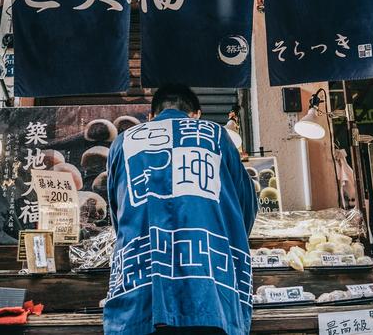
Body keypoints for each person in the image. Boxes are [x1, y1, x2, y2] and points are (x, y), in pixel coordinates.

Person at [104, 84, 258, 335]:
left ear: (151, 116)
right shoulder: (215, 135)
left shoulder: (124, 141)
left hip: (141, 291)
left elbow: (118, 213)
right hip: (208, 288)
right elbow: (246, 207)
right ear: (196, 114)